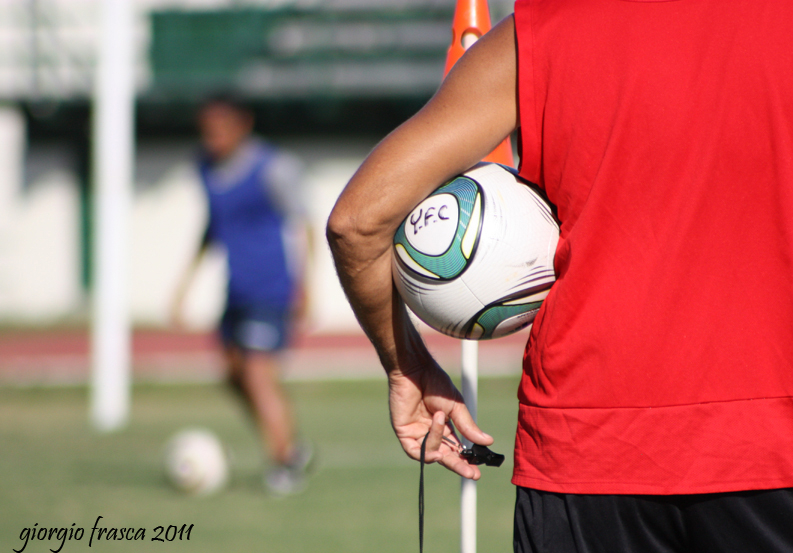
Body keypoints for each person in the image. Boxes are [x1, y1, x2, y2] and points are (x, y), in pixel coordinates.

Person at [327, 2, 793, 551]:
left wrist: (406, 362)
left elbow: (357, 222)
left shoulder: (544, 27)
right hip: (772, 442)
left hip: (585, 454)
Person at [172, 95, 313, 496]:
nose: (212, 138)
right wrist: (184, 286)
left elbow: (304, 224)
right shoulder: (204, 167)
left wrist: (307, 286)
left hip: (271, 287)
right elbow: (213, 228)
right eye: (206, 130)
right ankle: (292, 445)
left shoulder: (272, 168)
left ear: (242, 125)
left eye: (220, 129)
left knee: (256, 372)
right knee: (234, 375)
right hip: (236, 290)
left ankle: (284, 462)